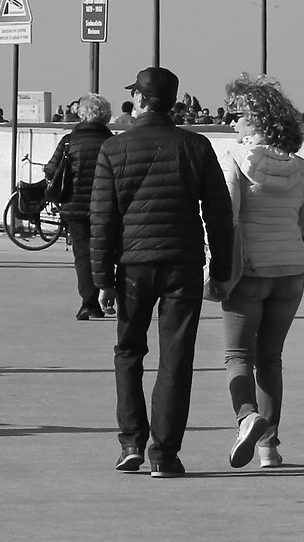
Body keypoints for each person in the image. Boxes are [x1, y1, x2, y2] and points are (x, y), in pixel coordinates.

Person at [92, 66, 234, 478]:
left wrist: (101, 279)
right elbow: (219, 214)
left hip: (133, 265)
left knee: (128, 351)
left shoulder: (114, 149)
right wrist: (221, 269)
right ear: (172, 103)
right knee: (176, 358)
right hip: (184, 263)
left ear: (138, 100)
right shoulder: (195, 146)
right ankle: (165, 454)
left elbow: (103, 218)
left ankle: (132, 442)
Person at [217, 75, 304, 470]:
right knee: (271, 357)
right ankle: (269, 448)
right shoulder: (299, 167)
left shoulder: (234, 161)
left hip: (249, 271)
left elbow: (224, 219)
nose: (230, 124)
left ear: (256, 121)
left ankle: (247, 416)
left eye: (237, 117)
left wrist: (213, 269)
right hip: (290, 274)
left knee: (237, 354)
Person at [43, 94, 115, 318]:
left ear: (82, 114)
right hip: (106, 206)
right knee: (107, 252)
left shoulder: (68, 141)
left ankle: (88, 303)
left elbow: (51, 169)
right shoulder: (112, 142)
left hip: (74, 206)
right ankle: (109, 296)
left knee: (82, 254)